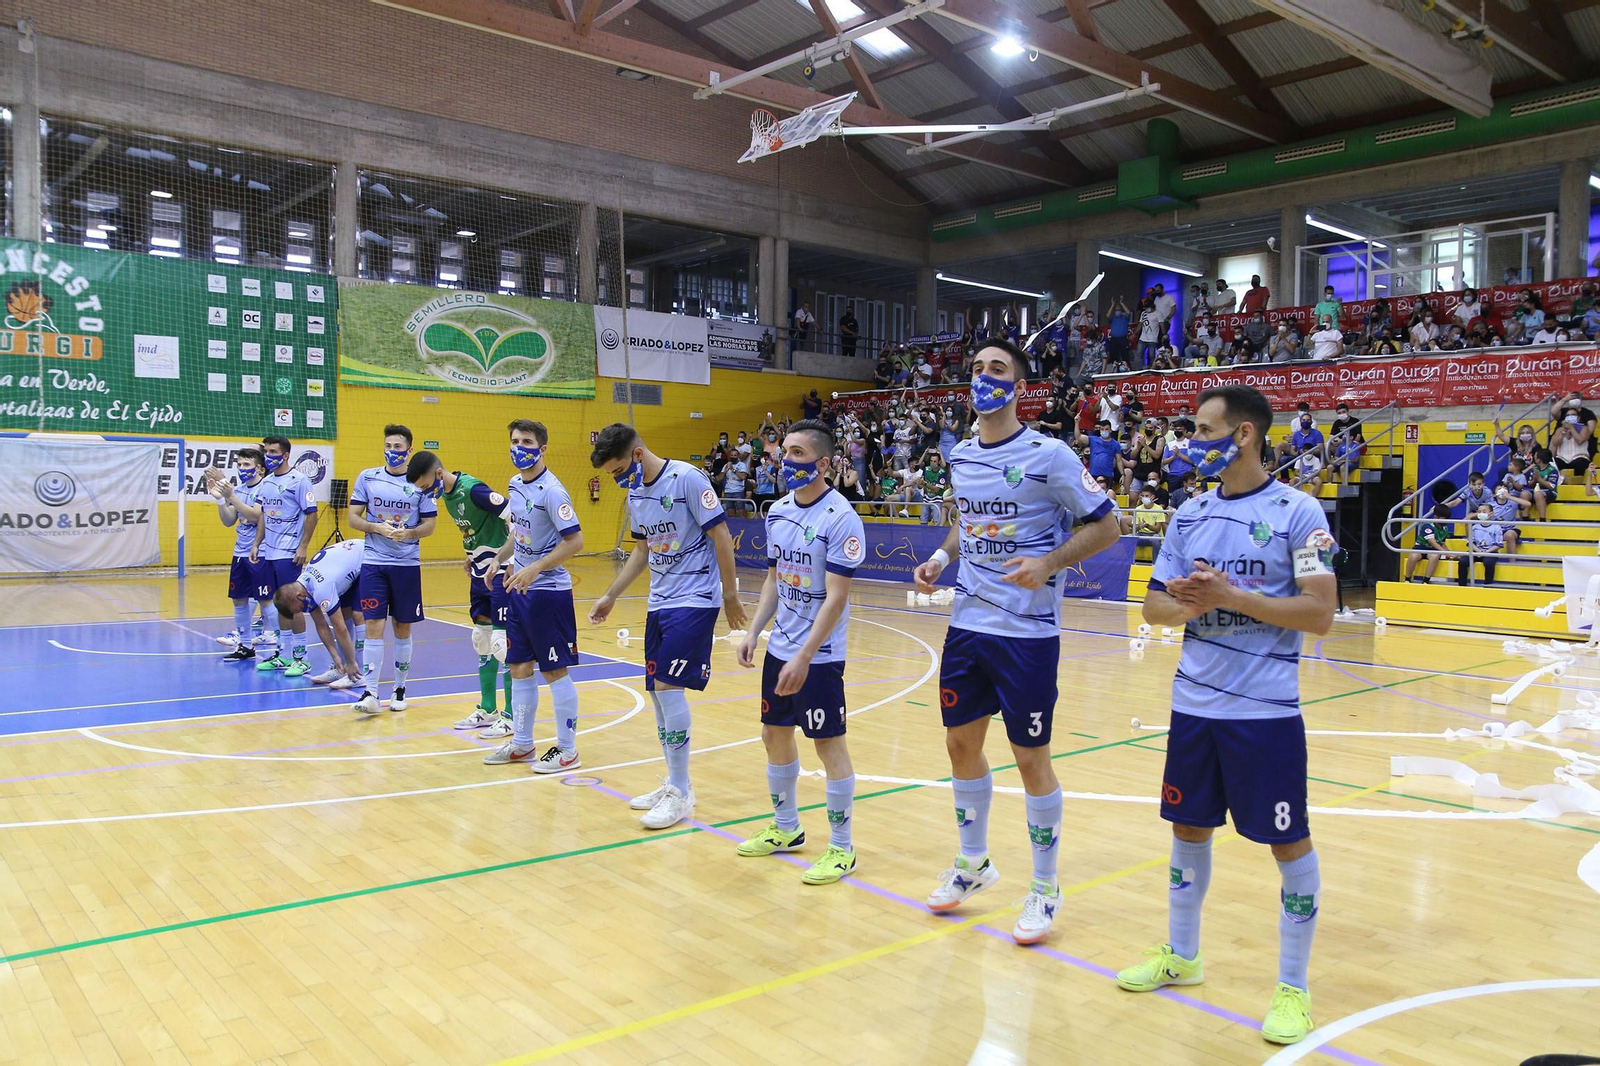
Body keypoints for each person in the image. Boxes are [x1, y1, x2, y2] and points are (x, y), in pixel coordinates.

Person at [1114, 383, 1338, 1047]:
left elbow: (1321, 613)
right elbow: (1154, 609)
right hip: (1193, 705)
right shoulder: (1187, 516)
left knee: (1285, 841)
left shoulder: (1300, 514)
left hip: (1265, 713)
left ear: (1242, 435)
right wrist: (1188, 601)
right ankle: (1183, 956)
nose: (1190, 444)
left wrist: (1229, 597)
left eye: (1203, 431)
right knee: (1188, 828)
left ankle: (1293, 988)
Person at [912, 338, 1120, 945]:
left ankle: (1047, 887)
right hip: (968, 626)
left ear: (1019, 386)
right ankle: (974, 864)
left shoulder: (1049, 454)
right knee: (959, 746)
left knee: (1030, 758)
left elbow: (1107, 525)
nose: (983, 377)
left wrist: (1049, 563)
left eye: (996, 369)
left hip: (1027, 633)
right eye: (976, 369)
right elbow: (967, 517)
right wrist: (942, 553)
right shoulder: (961, 454)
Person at [588, 424, 750, 829]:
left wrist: (730, 596)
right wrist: (611, 594)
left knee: (667, 688)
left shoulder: (687, 480)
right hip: (660, 601)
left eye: (619, 468)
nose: (616, 477)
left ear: (638, 454)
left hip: (696, 598)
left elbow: (722, 537)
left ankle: (681, 791)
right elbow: (642, 550)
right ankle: (674, 784)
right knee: (657, 695)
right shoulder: (635, 492)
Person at [733, 420, 867, 884]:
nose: (784, 461)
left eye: (795, 454)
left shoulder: (841, 517)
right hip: (781, 649)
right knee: (774, 735)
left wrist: (806, 655)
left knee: (828, 745)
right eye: (783, 452)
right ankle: (786, 828)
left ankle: (842, 848)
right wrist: (754, 632)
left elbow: (837, 596)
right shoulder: (776, 511)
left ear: (823, 462)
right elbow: (774, 579)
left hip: (820, 655)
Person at [480, 421, 586, 772]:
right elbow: (519, 534)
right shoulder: (514, 484)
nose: (519, 447)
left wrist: (536, 568)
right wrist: (499, 557)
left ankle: (568, 749)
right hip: (520, 590)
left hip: (549, 594)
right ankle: (523, 743)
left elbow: (575, 541)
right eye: (514, 441)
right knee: (519, 666)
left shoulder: (553, 492)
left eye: (526, 442)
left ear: (542, 449)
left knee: (554, 670)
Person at [407, 451, 516, 737]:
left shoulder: (474, 490)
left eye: (425, 486)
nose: (425, 492)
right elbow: (475, 531)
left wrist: (512, 557)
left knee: (502, 644)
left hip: (502, 570)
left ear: (439, 474)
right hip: (481, 573)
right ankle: (488, 709)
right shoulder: (446, 495)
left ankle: (512, 715)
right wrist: (472, 555)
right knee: (481, 640)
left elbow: (514, 517)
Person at [348, 425, 438, 714]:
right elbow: (352, 517)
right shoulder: (368, 477)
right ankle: (370, 692)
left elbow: (430, 526)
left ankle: (399, 688)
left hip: (406, 565)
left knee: (402, 627)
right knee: (373, 624)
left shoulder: (420, 482)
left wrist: (408, 534)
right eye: (388, 445)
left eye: (398, 447)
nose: (392, 451)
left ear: (409, 451)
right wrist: (375, 527)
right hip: (374, 561)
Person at [253, 435, 320, 678]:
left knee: (293, 605)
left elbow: (311, 514)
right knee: (279, 605)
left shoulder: (299, 481)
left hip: (289, 553)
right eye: (267, 451)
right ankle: (283, 654)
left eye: (273, 451)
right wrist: (256, 543)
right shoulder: (267, 482)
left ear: (286, 455)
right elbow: (263, 515)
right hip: (269, 553)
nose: (269, 456)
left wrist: (303, 546)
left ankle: (301, 659)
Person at [271, 539, 371, 696]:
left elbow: (339, 629)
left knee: (358, 615)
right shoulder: (303, 585)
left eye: (296, 610)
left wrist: (351, 662)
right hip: (348, 565)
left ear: (298, 597)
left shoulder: (320, 589)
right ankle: (341, 668)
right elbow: (321, 625)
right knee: (344, 614)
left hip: (367, 560)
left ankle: (359, 672)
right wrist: (336, 656)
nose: (300, 612)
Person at [209, 448, 269, 661]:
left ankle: (278, 646)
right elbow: (228, 521)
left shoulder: (266, 488)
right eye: (240, 465)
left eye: (247, 465)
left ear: (260, 468)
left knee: (265, 600)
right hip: (240, 552)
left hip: (260, 551)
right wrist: (220, 500)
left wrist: (230, 495)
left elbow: (254, 515)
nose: (242, 469)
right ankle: (244, 645)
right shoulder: (240, 490)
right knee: (239, 598)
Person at [1405, 503, 1455, 583]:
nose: (1446, 520)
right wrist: (1445, 552)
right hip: (1421, 547)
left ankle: (1426, 580)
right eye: (1444, 518)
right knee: (1413, 556)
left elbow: (1441, 543)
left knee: (1435, 556)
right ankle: (1407, 579)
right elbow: (1432, 542)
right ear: (1436, 517)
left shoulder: (1445, 528)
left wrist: (1450, 553)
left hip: (1432, 550)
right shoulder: (1427, 525)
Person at [1461, 503, 1504, 585]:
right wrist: (1478, 551)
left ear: (1491, 513)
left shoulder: (1496, 527)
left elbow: (1498, 544)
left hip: (1490, 552)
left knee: (1488, 563)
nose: (1481, 513)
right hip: (1476, 551)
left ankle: (1488, 585)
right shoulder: (1474, 526)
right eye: (1479, 511)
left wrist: (1486, 552)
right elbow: (1470, 542)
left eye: (1484, 511)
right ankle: (1462, 585)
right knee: (1463, 561)